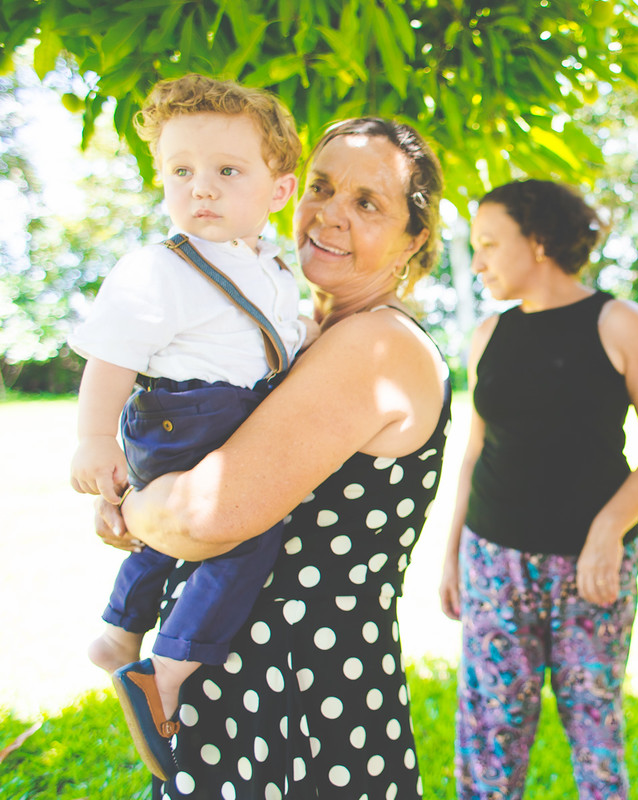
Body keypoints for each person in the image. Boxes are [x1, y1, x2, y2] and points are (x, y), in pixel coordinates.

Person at [94, 116, 451, 800]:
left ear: (415, 239)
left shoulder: (378, 345)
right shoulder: (303, 334)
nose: (330, 214)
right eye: (321, 186)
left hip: (299, 687)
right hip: (253, 673)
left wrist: (133, 507)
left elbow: (207, 515)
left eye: (367, 202)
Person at [67, 74, 314, 776]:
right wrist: (93, 439)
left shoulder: (267, 262)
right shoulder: (159, 269)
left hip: (227, 410)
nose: (200, 188)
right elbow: (111, 360)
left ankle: (119, 630)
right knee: (245, 529)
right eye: (181, 171)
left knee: (171, 540)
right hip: (185, 413)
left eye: (226, 171)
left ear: (278, 193)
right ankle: (167, 668)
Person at [438, 179, 638, 800]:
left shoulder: (618, 321)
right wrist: (451, 553)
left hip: (594, 568)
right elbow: (475, 452)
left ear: (539, 240)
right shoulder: (489, 334)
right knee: (489, 737)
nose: (479, 261)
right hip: (494, 557)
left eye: (491, 243)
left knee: (595, 735)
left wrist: (607, 530)